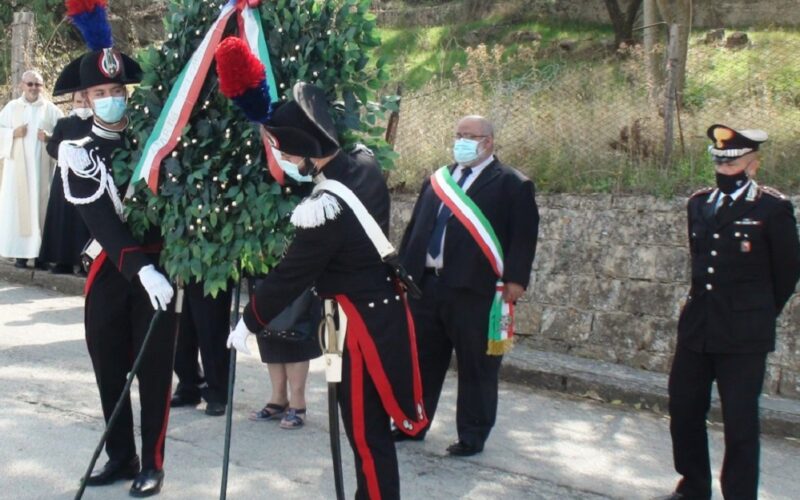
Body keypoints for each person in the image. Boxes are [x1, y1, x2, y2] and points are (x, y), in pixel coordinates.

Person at [226, 81, 428, 499]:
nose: (283, 159)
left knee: (364, 430)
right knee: (366, 433)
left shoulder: (326, 207)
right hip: (379, 311)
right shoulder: (364, 164)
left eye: (285, 150)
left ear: (305, 149)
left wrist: (248, 323)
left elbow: (291, 275)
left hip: (359, 327)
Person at [54, 5, 177, 495]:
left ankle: (153, 463)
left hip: (163, 269)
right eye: (101, 94)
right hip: (114, 268)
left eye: (117, 92)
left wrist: (160, 268)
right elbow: (101, 222)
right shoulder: (77, 149)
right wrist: (139, 269)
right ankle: (121, 456)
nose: (110, 101)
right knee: (109, 367)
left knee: (154, 371)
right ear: (86, 97)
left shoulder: (157, 141)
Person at [659, 125, 800, 500]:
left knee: (739, 421)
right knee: (684, 407)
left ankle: (739, 494)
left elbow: (786, 273)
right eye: (719, 158)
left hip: (743, 334)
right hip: (698, 327)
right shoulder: (699, 203)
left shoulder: (772, 208)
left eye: (733, 160)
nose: (724, 166)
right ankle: (693, 486)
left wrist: (756, 313)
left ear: (753, 164)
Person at [398, 115, 539, 456]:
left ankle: (472, 435)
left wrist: (516, 280)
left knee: (477, 366)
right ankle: (413, 423)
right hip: (427, 287)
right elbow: (417, 227)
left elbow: (523, 236)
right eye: (458, 134)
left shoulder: (512, 184)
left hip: (475, 291)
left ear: (488, 141)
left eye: (470, 136)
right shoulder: (437, 180)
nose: (462, 140)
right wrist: (403, 272)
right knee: (421, 361)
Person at [0, 70, 63, 268]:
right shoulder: (12, 107)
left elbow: (64, 135)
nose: (34, 88)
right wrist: (13, 133)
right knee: (18, 210)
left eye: (38, 84)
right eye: (30, 84)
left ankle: (40, 256)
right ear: (22, 85)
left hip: (41, 174)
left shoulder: (51, 110)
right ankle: (20, 255)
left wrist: (49, 137)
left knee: (41, 209)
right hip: (16, 173)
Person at [250, 285, 322, 429]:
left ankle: (297, 402)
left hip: (298, 268)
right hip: (266, 266)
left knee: (296, 325)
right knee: (268, 327)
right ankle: (278, 399)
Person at [39, 91, 92, 274]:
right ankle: (63, 261)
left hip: (88, 178)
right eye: (79, 102)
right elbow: (51, 145)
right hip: (65, 178)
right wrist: (64, 151)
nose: (83, 105)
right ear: (73, 102)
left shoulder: (97, 124)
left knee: (85, 221)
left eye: (86, 102)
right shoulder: (64, 124)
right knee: (63, 219)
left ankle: (85, 262)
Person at [170, 281, 232, 416]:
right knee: (180, 329)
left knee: (211, 328)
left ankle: (217, 392)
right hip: (178, 268)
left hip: (211, 267)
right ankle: (189, 384)